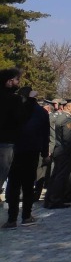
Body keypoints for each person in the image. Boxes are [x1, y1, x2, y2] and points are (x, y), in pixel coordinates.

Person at [4, 87, 48, 228]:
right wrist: (45, 154)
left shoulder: (13, 109)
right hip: (32, 152)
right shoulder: (41, 112)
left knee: (13, 185)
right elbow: (45, 135)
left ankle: (12, 219)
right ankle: (26, 216)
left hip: (14, 151)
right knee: (28, 185)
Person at [44, 100, 71, 208]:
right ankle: (55, 200)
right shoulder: (67, 119)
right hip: (64, 152)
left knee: (55, 175)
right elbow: (68, 139)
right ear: (68, 107)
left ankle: (49, 199)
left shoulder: (60, 117)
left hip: (59, 150)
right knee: (60, 177)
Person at [0, 68, 25, 198]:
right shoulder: (14, 100)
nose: (18, 82)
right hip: (7, 142)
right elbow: (20, 120)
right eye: (17, 80)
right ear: (9, 82)